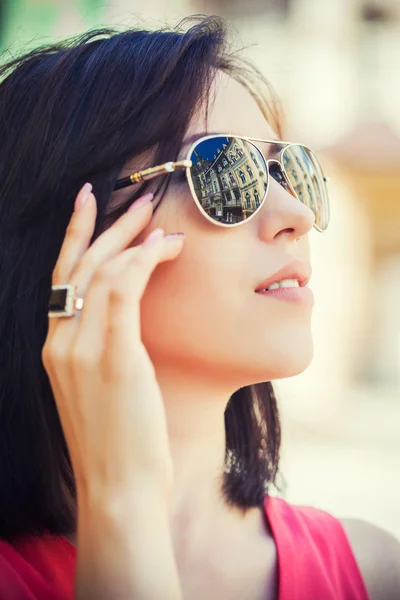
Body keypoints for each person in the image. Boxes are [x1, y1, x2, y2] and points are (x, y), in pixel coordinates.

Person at [0, 15, 399, 600]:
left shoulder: (372, 573)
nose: (297, 216)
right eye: (225, 174)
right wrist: (124, 509)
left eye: (291, 172)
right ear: (77, 237)